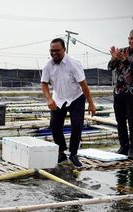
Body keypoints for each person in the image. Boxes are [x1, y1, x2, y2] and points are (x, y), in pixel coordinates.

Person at [41, 38, 96, 168]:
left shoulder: (73, 63)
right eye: (52, 51)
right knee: (54, 125)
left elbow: (84, 85)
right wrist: (49, 98)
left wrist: (91, 103)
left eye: (57, 51)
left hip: (76, 97)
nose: (54, 53)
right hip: (58, 98)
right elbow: (44, 83)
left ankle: (73, 154)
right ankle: (61, 152)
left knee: (77, 126)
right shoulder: (48, 65)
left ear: (64, 50)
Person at [108, 29, 133, 160]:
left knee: (132, 121)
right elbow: (110, 67)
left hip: (132, 93)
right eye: (130, 38)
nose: (132, 41)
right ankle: (123, 146)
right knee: (120, 120)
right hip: (119, 92)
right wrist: (114, 58)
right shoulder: (122, 51)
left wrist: (125, 60)